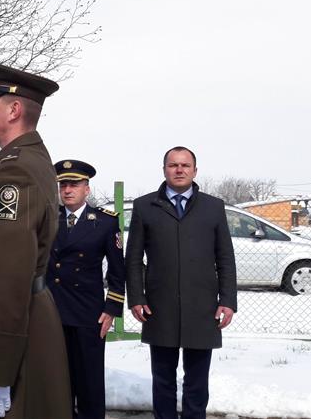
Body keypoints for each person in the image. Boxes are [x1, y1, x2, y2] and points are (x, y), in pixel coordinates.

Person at [0, 63, 71, 419]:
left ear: (15, 109)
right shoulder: (22, 159)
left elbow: (7, 276)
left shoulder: (15, 171)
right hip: (11, 319)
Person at [125, 146, 237, 419]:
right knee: (162, 378)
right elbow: (133, 258)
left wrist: (228, 301)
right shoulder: (144, 206)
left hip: (202, 307)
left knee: (197, 380)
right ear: (164, 170)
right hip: (159, 307)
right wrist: (137, 298)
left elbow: (225, 257)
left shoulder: (213, 207)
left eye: (185, 165)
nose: (179, 170)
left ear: (195, 171)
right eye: (173, 165)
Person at [46, 159, 125, 418]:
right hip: (53, 310)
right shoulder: (48, 219)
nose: (68, 190)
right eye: (63, 185)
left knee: (90, 380)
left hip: (88, 312)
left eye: (74, 184)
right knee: (58, 380)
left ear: (86, 189)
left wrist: (112, 307)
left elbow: (117, 269)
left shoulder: (104, 222)